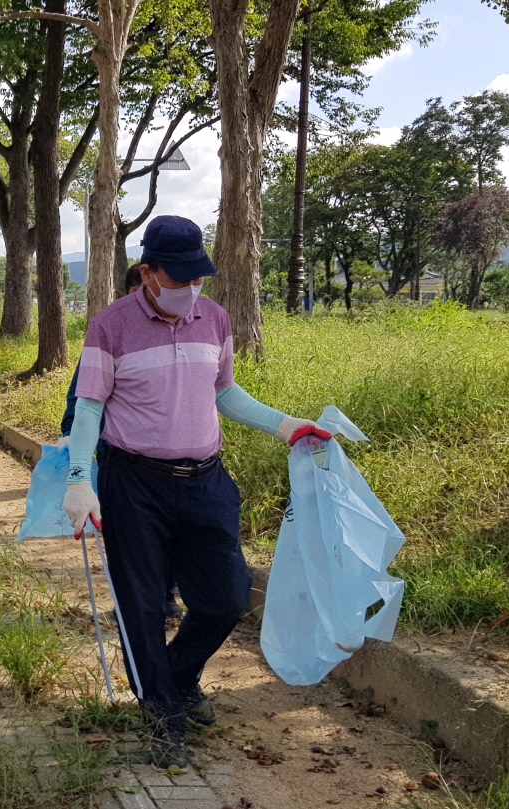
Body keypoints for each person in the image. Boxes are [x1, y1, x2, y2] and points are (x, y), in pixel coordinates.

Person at [61, 215, 332, 769]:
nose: (190, 290)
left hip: (205, 480)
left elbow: (225, 391)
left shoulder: (216, 318)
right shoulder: (110, 325)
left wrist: (287, 425)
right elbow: (89, 405)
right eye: (178, 279)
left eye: (197, 279)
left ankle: (178, 676)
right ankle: (163, 713)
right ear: (148, 274)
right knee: (141, 606)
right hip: (134, 484)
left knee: (226, 597)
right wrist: (78, 480)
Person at [59, 266, 184, 620]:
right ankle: (134, 605)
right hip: (121, 458)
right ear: (136, 288)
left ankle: (166, 598)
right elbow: (82, 397)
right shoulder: (111, 333)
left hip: (175, 460)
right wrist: (71, 432)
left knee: (171, 535)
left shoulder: (181, 334)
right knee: (130, 538)